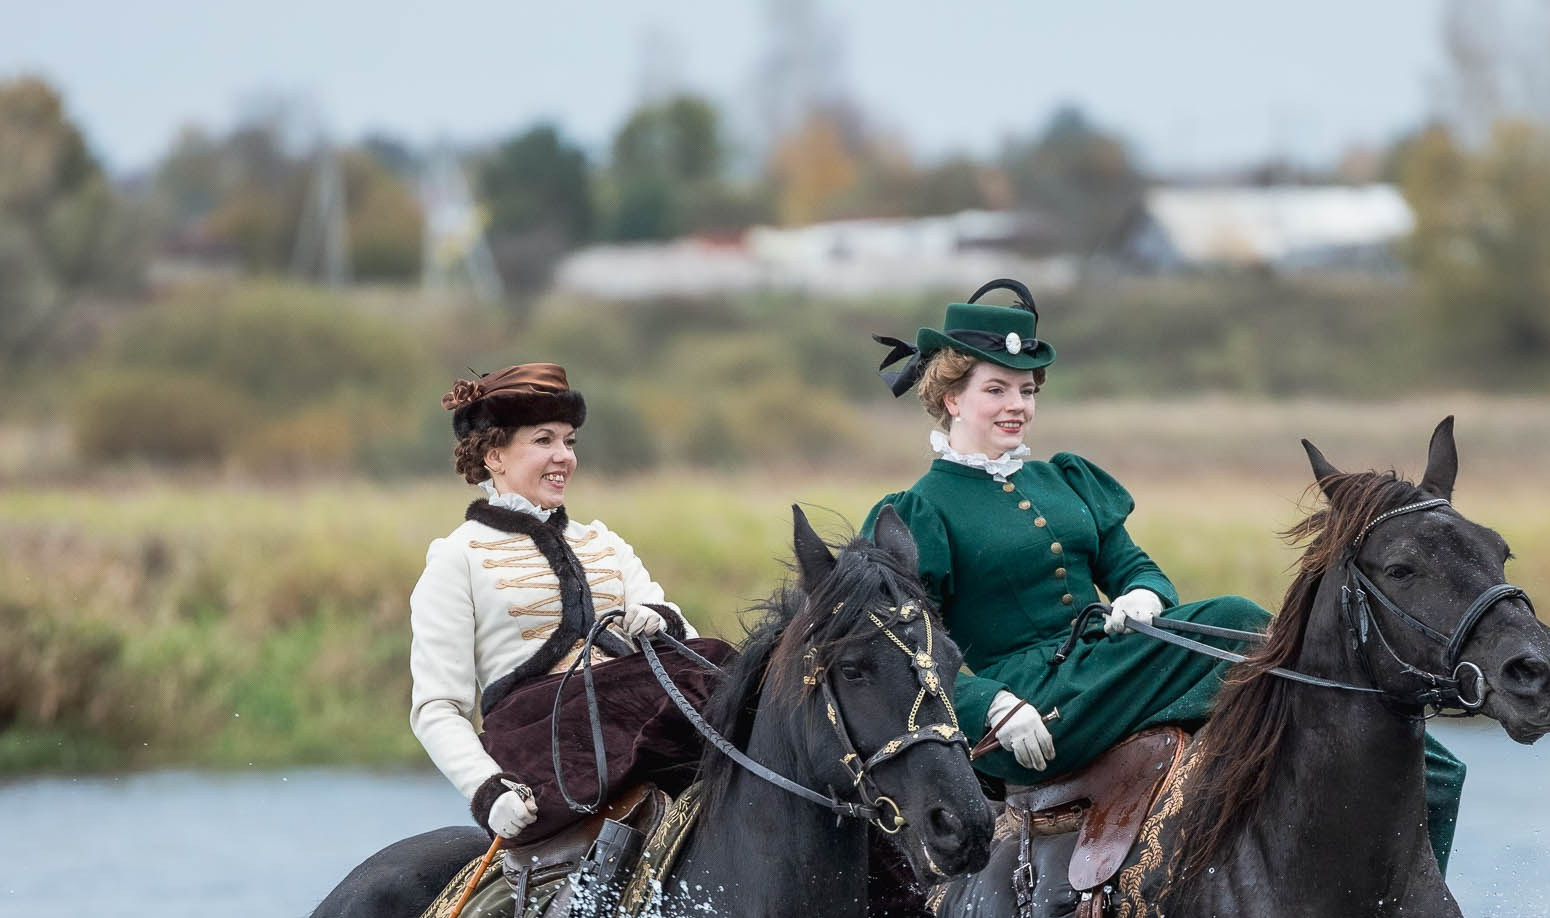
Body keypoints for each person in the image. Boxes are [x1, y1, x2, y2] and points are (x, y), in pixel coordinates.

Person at [866, 283, 1465, 868]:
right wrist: (987, 705)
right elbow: (898, 650)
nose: (1017, 406)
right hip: (1033, 717)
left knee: (1246, 645)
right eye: (995, 390)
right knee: (1233, 618)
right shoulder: (921, 511)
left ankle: (1413, 784)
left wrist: (1143, 594)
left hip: (1110, 668)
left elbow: (1135, 566)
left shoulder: (1064, 479)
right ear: (951, 398)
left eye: (1026, 390)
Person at [411, 363, 726, 845]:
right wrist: (487, 790)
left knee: (723, 665)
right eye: (544, 441)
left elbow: (681, 633)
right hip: (542, 740)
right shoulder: (457, 557)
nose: (564, 457)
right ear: (494, 455)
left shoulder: (606, 543)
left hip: (637, 712)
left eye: (569, 441)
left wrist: (657, 621)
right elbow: (437, 706)